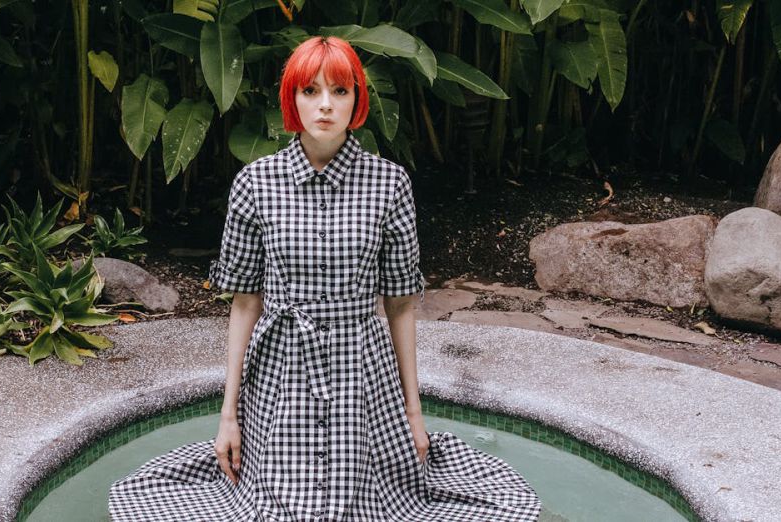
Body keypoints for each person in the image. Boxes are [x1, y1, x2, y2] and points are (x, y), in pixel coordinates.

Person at [108, 36, 541, 521]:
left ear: (358, 99)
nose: (325, 105)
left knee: (366, 506)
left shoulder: (390, 184)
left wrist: (413, 415)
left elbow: (400, 305)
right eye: (310, 91)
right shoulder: (255, 183)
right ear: (291, 99)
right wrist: (228, 416)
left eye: (339, 91)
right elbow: (245, 303)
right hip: (281, 368)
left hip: (361, 369)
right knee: (275, 507)